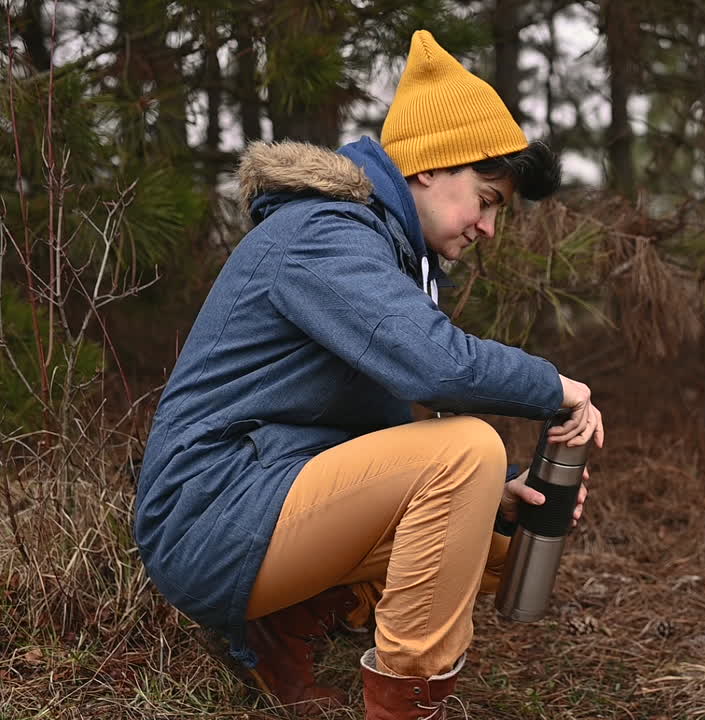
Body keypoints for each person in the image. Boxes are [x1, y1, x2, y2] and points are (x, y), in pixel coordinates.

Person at [133, 30, 604, 720]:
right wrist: (556, 385)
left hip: (269, 495)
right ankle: (407, 701)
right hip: (210, 513)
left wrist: (489, 502)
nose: (489, 227)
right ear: (429, 168)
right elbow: (435, 363)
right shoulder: (324, 234)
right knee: (468, 446)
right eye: (488, 198)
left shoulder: (385, 255)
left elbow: (387, 434)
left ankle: (293, 616)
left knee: (505, 541)